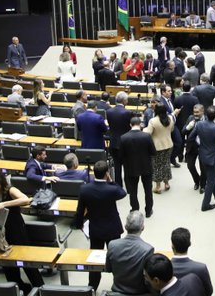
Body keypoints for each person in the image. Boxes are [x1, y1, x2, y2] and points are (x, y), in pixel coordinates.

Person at [0, 170, 44, 293]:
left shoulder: (10, 190)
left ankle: (39, 287)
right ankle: (20, 287)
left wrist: (4, 204)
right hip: (1, 230)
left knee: (25, 259)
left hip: (16, 228)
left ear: (0, 182)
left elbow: (26, 200)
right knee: (7, 262)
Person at [73, 160, 126, 290]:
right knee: (116, 259)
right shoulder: (112, 189)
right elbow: (123, 192)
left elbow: (80, 211)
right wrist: (111, 180)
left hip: (95, 229)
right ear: (106, 173)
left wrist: (79, 224)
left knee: (94, 260)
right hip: (112, 229)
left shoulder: (85, 189)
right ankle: (120, 285)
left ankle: (92, 287)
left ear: (94, 173)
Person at [105, 211, 154, 295]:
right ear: (143, 228)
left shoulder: (112, 245)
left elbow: (108, 269)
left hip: (117, 291)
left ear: (125, 227)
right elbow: (149, 279)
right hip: (139, 293)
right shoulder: (148, 249)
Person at [191, 105, 215, 211]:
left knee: (212, 176)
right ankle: (205, 205)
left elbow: (191, 137)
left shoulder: (199, 124)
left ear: (206, 114)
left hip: (202, 155)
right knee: (210, 181)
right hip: (213, 158)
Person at [120, 117, 156, 218]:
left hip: (131, 167)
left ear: (130, 125)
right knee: (148, 190)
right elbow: (153, 152)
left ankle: (135, 209)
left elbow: (120, 155)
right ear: (140, 125)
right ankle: (148, 210)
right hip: (146, 167)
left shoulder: (123, 137)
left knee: (133, 191)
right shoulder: (147, 136)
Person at [170, 228, 214, 296]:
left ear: (172, 246)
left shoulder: (164, 268)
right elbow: (209, 291)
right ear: (189, 244)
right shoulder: (201, 268)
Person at [144, 103, 175, 194]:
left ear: (156, 110)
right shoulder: (170, 119)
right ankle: (166, 183)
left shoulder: (153, 121)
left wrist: (143, 129)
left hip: (157, 146)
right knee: (166, 164)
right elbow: (172, 130)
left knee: (157, 166)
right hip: (169, 145)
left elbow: (148, 132)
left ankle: (158, 187)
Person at [107, 91, 133, 187]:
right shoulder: (128, 113)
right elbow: (130, 128)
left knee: (117, 167)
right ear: (124, 100)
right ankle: (129, 187)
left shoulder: (109, 112)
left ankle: (119, 186)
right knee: (127, 167)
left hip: (113, 142)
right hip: (125, 143)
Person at [181, 104, 207, 192]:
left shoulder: (207, 119)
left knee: (203, 168)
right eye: (194, 112)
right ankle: (197, 181)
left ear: (202, 112)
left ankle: (203, 185)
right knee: (190, 166)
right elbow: (183, 131)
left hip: (203, 147)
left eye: (197, 112)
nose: (195, 114)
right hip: (191, 147)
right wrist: (189, 127)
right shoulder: (190, 118)